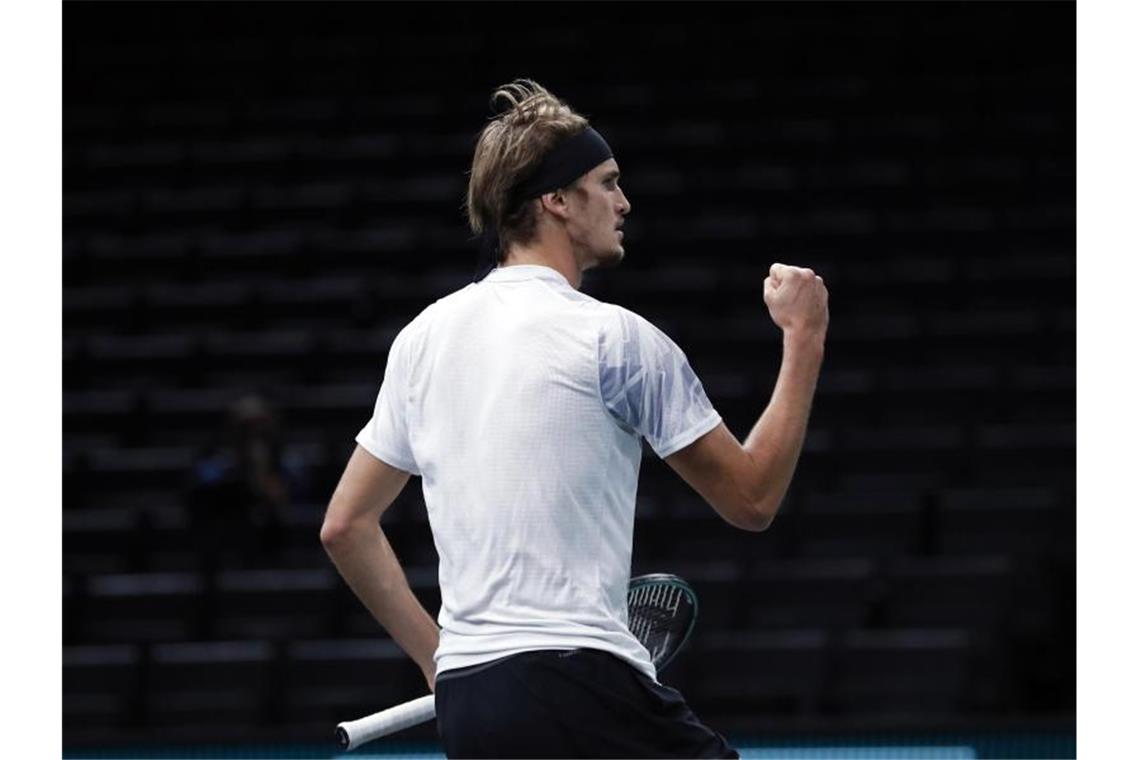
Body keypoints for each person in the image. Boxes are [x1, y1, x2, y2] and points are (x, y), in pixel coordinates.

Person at [320, 80, 828, 758]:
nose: (624, 202)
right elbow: (752, 497)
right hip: (578, 679)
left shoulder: (423, 338)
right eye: (608, 182)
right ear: (557, 201)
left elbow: (346, 526)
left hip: (472, 704)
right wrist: (804, 338)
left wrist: (437, 660)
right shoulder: (616, 340)